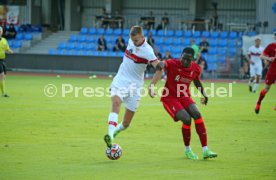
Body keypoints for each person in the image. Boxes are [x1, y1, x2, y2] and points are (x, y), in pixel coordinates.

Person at [148, 47, 217, 160]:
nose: (184, 61)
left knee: (197, 114)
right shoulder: (173, 63)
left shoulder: (195, 68)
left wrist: (204, 94)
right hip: (169, 98)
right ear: (181, 56)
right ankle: (188, 150)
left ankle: (205, 150)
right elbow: (163, 64)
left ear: (193, 59)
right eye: (183, 58)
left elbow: (196, 81)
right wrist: (159, 66)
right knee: (186, 119)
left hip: (184, 96)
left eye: (188, 60)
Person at [104, 25, 159, 147]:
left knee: (126, 123)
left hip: (136, 86)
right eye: (132, 40)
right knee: (116, 103)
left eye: (136, 40)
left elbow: (160, 69)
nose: (134, 43)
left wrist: (152, 86)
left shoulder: (148, 51)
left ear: (143, 37)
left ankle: (115, 132)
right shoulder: (130, 41)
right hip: (121, 80)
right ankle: (110, 136)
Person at [255, 32, 276, 114]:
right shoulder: (271, 46)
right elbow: (261, 56)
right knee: (266, 88)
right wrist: (269, 58)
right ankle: (258, 103)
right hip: (273, 70)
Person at [0, 27, 13, 97]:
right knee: (1, 75)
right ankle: (3, 93)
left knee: (4, 77)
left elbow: (7, 48)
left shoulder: (4, 40)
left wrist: (9, 51)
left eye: (0, 31)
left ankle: (3, 92)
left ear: (1, 32)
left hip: (3, 60)